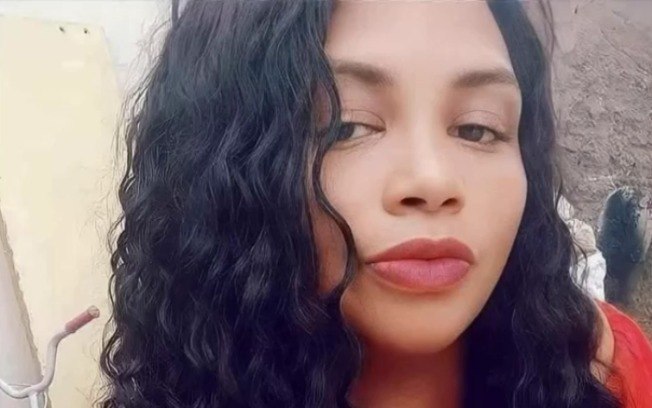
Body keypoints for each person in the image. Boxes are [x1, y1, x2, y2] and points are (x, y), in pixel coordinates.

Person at [99, 1, 652, 407]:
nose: (433, 179)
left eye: (477, 128)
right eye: (347, 126)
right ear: (221, 167)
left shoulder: (610, 371)